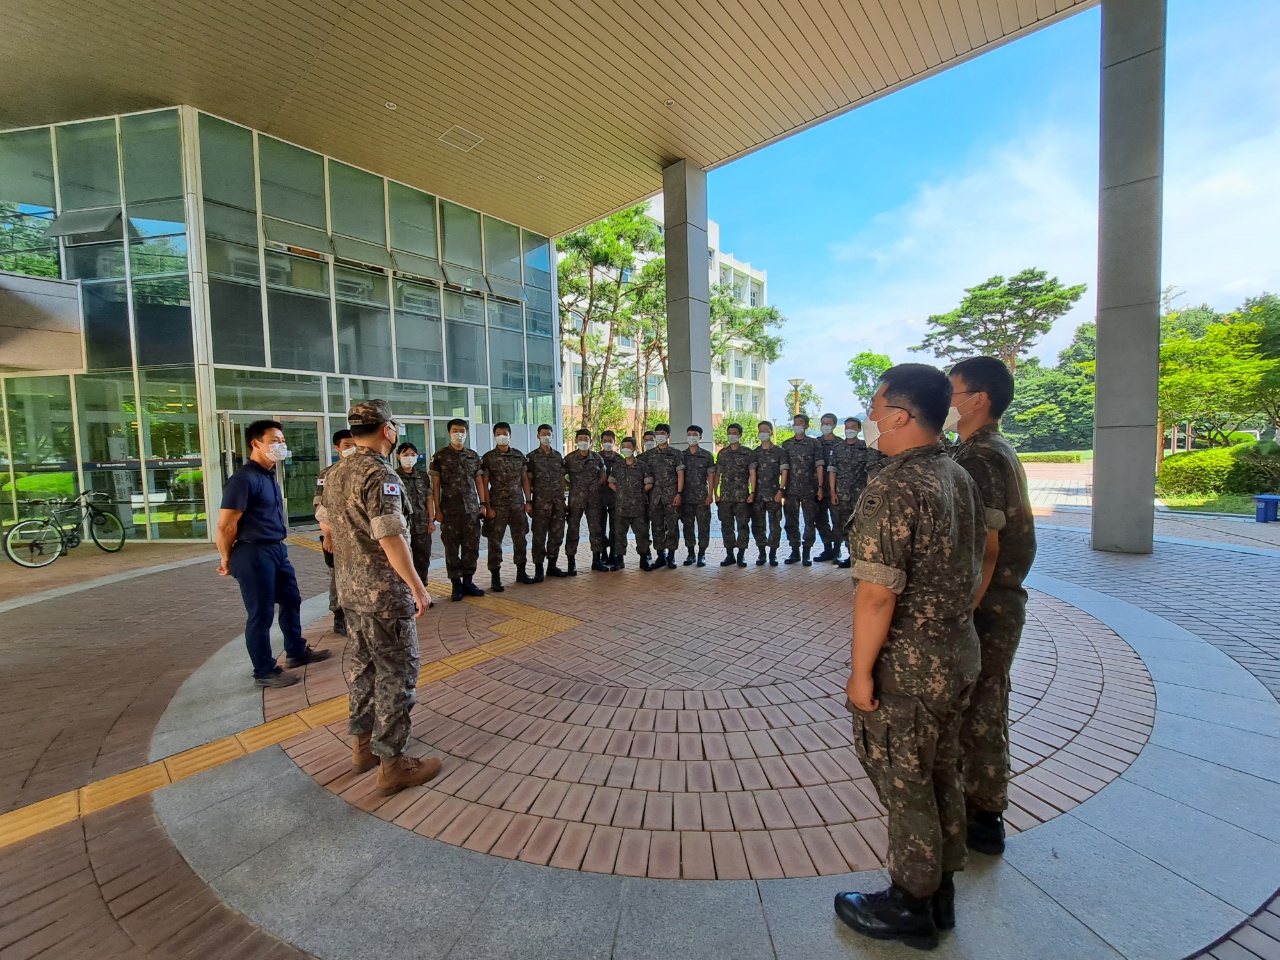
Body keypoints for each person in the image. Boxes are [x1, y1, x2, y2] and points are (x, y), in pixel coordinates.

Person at [834, 364, 987, 950]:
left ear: (900, 415)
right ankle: (942, 889)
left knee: (906, 781)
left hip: (910, 667)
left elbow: (876, 593)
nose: (871, 416)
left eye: (876, 405)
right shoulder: (956, 474)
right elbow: (978, 563)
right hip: (957, 653)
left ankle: (910, 903)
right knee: (943, 770)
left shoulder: (895, 486)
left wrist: (860, 672)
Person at [321, 400, 439, 796]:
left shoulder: (336, 472)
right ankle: (393, 763)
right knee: (397, 673)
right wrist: (418, 587)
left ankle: (362, 747)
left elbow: (328, 526)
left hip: (350, 592)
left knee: (362, 670)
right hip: (384, 594)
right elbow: (390, 534)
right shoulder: (378, 474)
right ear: (387, 429)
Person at [948, 356, 1037, 857]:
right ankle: (981, 805)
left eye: (953, 390)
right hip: (995, 602)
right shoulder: (984, 450)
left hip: (987, 607)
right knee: (985, 699)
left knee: (980, 704)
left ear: (977, 399)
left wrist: (964, 614)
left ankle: (983, 816)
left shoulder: (981, 457)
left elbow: (988, 548)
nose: (947, 401)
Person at [217, 419, 330, 688]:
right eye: (274, 441)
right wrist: (226, 558)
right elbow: (226, 525)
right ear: (256, 444)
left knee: (291, 600)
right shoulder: (243, 479)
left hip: (277, 550)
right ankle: (264, 670)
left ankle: (296, 651)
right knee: (261, 613)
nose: (281, 446)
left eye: (282, 441)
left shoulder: (268, 475)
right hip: (253, 552)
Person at [429, 418, 487, 602]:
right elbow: (435, 485)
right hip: (450, 510)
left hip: (471, 510)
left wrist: (483, 504)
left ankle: (468, 581)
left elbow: (479, 481)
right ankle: (456, 583)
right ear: (449, 433)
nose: (458, 434)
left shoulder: (473, 455)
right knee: (452, 549)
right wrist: (437, 509)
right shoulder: (440, 456)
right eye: (455, 430)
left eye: (462, 430)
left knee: (471, 547)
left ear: (466, 433)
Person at [481, 422, 533, 592]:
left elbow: (525, 479)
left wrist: (528, 501)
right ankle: (495, 577)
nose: (501, 436)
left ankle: (521, 572)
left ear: (510, 435)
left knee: (520, 539)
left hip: (517, 505)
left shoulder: (519, 456)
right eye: (498, 433)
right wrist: (487, 507)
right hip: (498, 506)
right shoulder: (488, 458)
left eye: (505, 433)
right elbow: (485, 482)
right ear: (494, 436)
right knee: (495, 542)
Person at [316, 428, 357, 636]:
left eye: (354, 444)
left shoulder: (360, 471)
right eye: (347, 446)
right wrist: (329, 536)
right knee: (337, 576)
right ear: (336, 448)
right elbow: (321, 508)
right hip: (337, 536)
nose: (352, 449)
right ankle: (338, 616)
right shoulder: (327, 474)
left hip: (358, 536)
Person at [526, 423, 569, 581]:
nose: (546, 437)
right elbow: (527, 481)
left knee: (557, 534)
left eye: (549, 434)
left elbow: (561, 479)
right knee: (539, 536)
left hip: (557, 503)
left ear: (553, 436)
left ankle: (552, 565)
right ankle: (538, 568)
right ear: (538, 436)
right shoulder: (531, 457)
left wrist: (563, 499)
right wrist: (528, 502)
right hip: (540, 503)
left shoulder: (557, 456)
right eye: (543, 434)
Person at [781, 413, 825, 566]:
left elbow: (819, 465)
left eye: (800, 423)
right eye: (795, 422)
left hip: (809, 489)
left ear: (806, 426)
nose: (797, 425)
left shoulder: (814, 444)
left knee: (809, 521)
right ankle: (795, 551)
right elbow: (783, 469)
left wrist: (820, 487)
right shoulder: (786, 444)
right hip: (791, 490)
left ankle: (806, 552)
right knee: (791, 521)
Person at [827, 417, 870, 569]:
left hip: (859, 494)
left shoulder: (865, 448)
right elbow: (832, 471)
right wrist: (832, 492)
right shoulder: (837, 448)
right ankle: (847, 554)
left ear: (858, 429)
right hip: (841, 493)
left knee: (860, 526)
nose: (849, 429)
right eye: (847, 427)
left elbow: (870, 471)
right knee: (843, 526)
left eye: (852, 427)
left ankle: (859, 556)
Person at [564, 428, 607, 575]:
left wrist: (596, 486)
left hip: (594, 500)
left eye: (586, 439)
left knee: (596, 530)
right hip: (576, 500)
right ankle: (571, 563)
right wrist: (571, 486)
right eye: (580, 438)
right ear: (576, 441)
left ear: (590, 441)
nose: (583, 441)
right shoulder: (569, 459)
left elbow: (603, 474)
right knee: (573, 530)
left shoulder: (597, 458)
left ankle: (596, 560)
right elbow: (561, 476)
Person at [394, 441, 436, 591]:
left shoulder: (422, 476)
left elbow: (429, 498)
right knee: (404, 560)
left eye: (413, 455)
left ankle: (422, 589)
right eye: (406, 455)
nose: (409, 458)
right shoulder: (393, 476)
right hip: (403, 526)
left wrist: (431, 520)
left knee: (423, 558)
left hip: (422, 524)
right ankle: (408, 593)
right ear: (398, 456)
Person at [642, 423, 684, 570]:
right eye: (657, 433)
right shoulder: (649, 454)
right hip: (655, 497)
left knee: (672, 526)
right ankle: (661, 555)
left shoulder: (676, 453)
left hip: (671, 495)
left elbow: (680, 475)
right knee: (657, 526)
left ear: (668, 436)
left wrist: (679, 493)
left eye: (662, 433)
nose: (660, 436)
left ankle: (671, 556)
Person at [608, 436, 653, 569]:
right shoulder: (617, 466)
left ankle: (644, 559)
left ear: (634, 448)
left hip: (638, 507)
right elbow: (611, 482)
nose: (626, 449)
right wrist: (621, 492)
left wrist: (638, 493)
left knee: (641, 533)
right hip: (621, 506)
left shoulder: (642, 466)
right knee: (620, 533)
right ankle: (619, 559)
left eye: (629, 446)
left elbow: (649, 483)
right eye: (624, 446)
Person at [715, 423, 755, 568]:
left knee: (743, 526)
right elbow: (717, 474)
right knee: (726, 526)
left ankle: (741, 555)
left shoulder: (747, 453)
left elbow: (752, 474)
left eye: (735, 432)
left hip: (742, 497)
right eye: (729, 432)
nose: (732, 435)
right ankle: (730, 554)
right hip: (725, 497)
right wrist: (715, 493)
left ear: (740, 435)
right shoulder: (722, 453)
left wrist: (752, 492)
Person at [751, 420, 789, 566]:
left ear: (771, 432)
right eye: (760, 430)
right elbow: (752, 474)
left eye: (765, 430)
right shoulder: (755, 453)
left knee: (775, 524)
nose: (762, 433)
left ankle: (773, 553)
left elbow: (784, 472)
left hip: (774, 494)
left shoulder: (779, 452)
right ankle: (762, 553)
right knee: (758, 525)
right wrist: (752, 492)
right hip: (758, 495)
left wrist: (781, 490)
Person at [679, 425, 716, 567]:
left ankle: (702, 554)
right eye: (689, 434)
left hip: (702, 497)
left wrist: (710, 494)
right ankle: (690, 553)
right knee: (688, 526)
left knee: (703, 526)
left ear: (700, 437)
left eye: (695, 434)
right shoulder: (681, 455)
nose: (692, 437)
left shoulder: (707, 455)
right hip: (686, 498)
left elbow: (711, 476)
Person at [813, 412, 841, 561]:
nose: (825, 426)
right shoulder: (815, 443)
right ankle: (827, 548)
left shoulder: (840, 443)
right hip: (818, 489)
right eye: (823, 423)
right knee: (820, 519)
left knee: (837, 520)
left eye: (828, 423)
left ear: (834, 425)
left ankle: (837, 551)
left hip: (835, 490)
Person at [597, 430, 623, 568]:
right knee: (599, 528)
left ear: (614, 442)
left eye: (610, 441)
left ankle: (614, 554)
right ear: (601, 442)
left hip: (615, 498)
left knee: (615, 528)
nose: (608, 443)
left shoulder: (619, 459)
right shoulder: (595, 457)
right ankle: (603, 553)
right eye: (605, 441)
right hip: (599, 498)